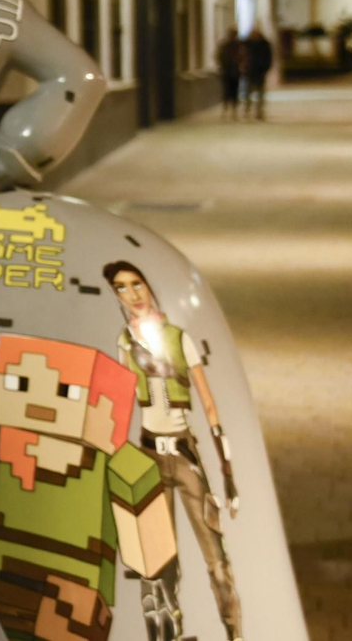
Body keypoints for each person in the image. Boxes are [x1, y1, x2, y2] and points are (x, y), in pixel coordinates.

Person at [105, 261, 243, 640]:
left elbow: (209, 403)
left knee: (215, 558)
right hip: (149, 453)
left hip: (184, 454)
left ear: (149, 285)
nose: (132, 294)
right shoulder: (125, 343)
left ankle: (234, 633)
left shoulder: (179, 337)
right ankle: (167, 634)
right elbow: (122, 400)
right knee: (157, 559)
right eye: (121, 287)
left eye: (137, 283)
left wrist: (227, 472)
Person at [241, 27, 274, 120]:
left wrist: (266, 69)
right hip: (249, 72)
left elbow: (269, 57)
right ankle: (247, 110)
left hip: (260, 72)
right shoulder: (246, 44)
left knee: (260, 93)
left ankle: (259, 111)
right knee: (248, 93)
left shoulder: (264, 44)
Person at [216, 28, 242, 120]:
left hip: (234, 72)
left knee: (233, 91)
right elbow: (219, 56)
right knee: (227, 91)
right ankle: (226, 110)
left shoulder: (239, 45)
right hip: (227, 71)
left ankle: (233, 111)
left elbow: (243, 57)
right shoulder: (225, 45)